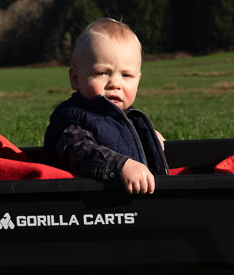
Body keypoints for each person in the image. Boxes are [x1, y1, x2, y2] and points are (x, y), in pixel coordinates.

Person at [43, 17, 168, 194]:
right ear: (75, 79)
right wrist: (120, 166)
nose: (115, 83)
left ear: (138, 80)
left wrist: (147, 139)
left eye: (126, 75)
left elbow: (120, 138)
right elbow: (81, 152)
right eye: (102, 73)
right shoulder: (73, 119)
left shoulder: (125, 117)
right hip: (82, 207)